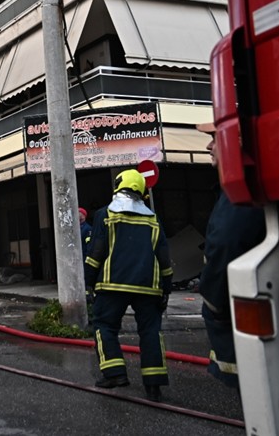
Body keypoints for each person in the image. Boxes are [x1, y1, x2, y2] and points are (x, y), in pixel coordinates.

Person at [84, 169, 174, 402]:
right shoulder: (152, 219)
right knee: (150, 332)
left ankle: (115, 374)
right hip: (148, 287)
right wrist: (166, 288)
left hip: (112, 285)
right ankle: (154, 385)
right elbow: (164, 258)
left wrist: (88, 283)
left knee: (104, 326)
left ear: (117, 186)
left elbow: (95, 253)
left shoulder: (105, 215)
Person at [196, 120, 266, 389]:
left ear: (235, 143)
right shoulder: (245, 184)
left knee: (255, 392)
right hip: (244, 302)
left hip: (235, 310)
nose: (209, 146)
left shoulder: (240, 189)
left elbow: (227, 244)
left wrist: (213, 303)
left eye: (215, 139)